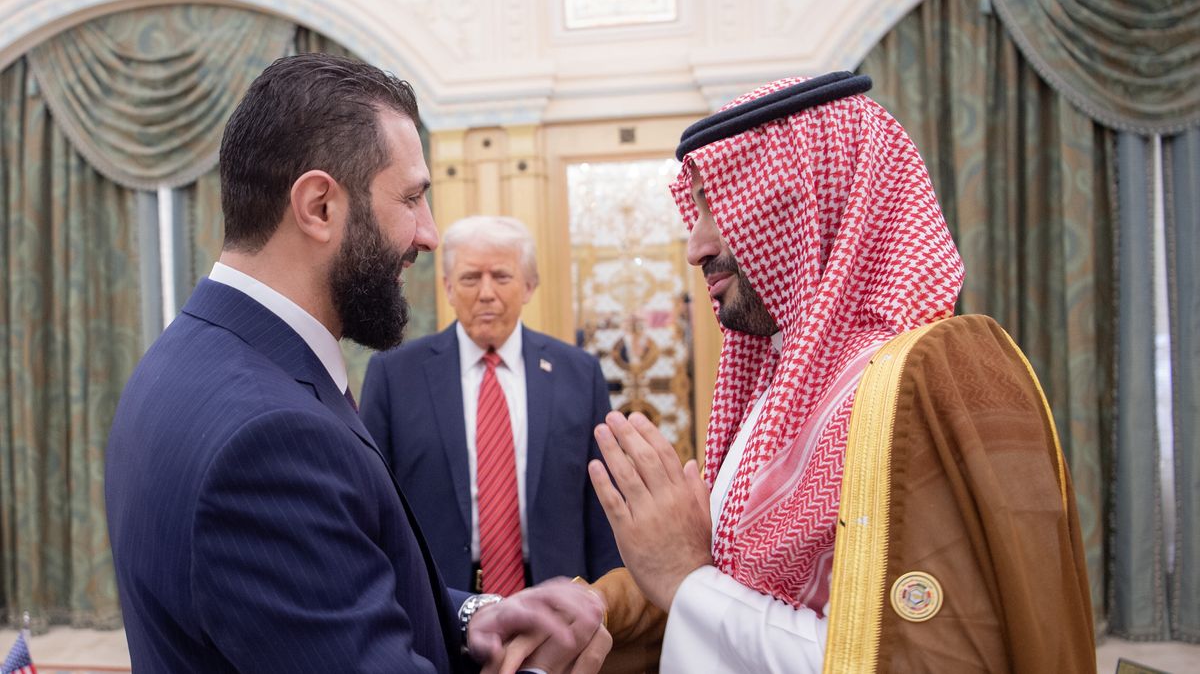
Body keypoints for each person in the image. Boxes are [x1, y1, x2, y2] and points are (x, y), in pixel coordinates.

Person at [105, 53, 608, 674]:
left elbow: (330, 581)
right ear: (319, 206)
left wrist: (472, 614)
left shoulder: (195, 357)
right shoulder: (269, 440)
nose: (429, 234)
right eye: (412, 199)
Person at [586, 72, 1096, 672]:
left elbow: (925, 656)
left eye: (714, 207)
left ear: (801, 200)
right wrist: (594, 608)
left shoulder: (931, 380)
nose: (694, 246)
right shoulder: (784, 382)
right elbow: (732, 587)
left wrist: (686, 582)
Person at [361, 215, 621, 596]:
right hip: (438, 602)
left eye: (501, 277)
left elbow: (602, 506)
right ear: (448, 287)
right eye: (470, 278)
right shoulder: (394, 375)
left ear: (529, 286)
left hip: (559, 600)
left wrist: (607, 604)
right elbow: (375, 503)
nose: (486, 293)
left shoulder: (579, 374)